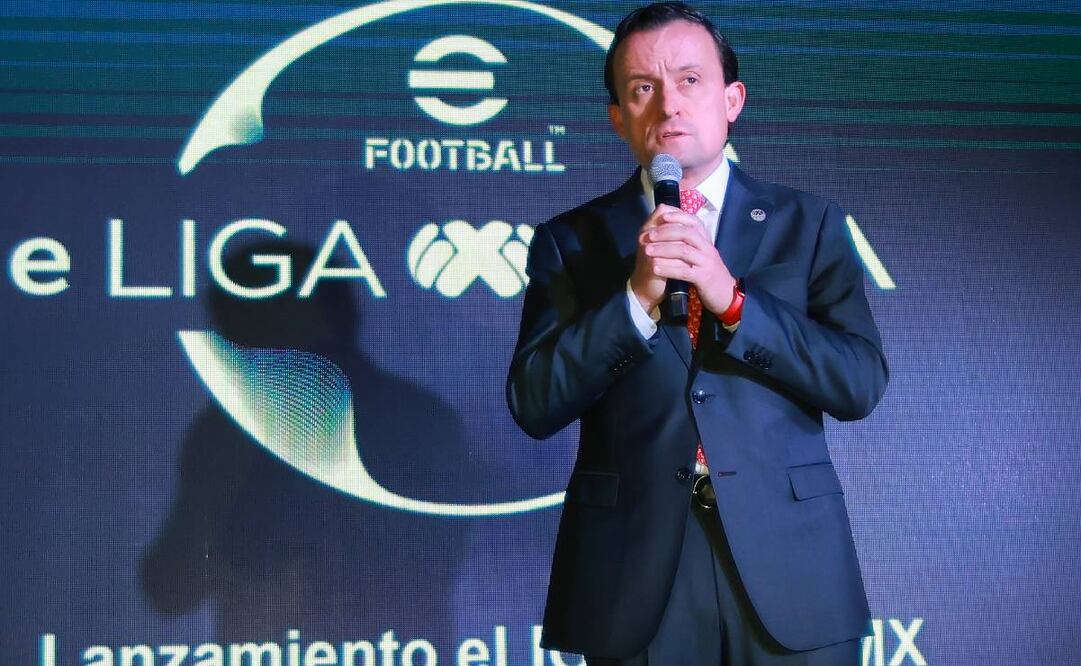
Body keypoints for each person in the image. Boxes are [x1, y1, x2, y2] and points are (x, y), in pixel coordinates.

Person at [506, 2, 889, 664]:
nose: (667, 107)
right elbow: (535, 402)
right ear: (618, 118)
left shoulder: (809, 224)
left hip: (790, 566)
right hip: (634, 573)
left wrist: (732, 301)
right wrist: (634, 298)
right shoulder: (570, 242)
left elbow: (856, 382)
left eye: (689, 80)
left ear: (731, 98)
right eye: (641, 89)